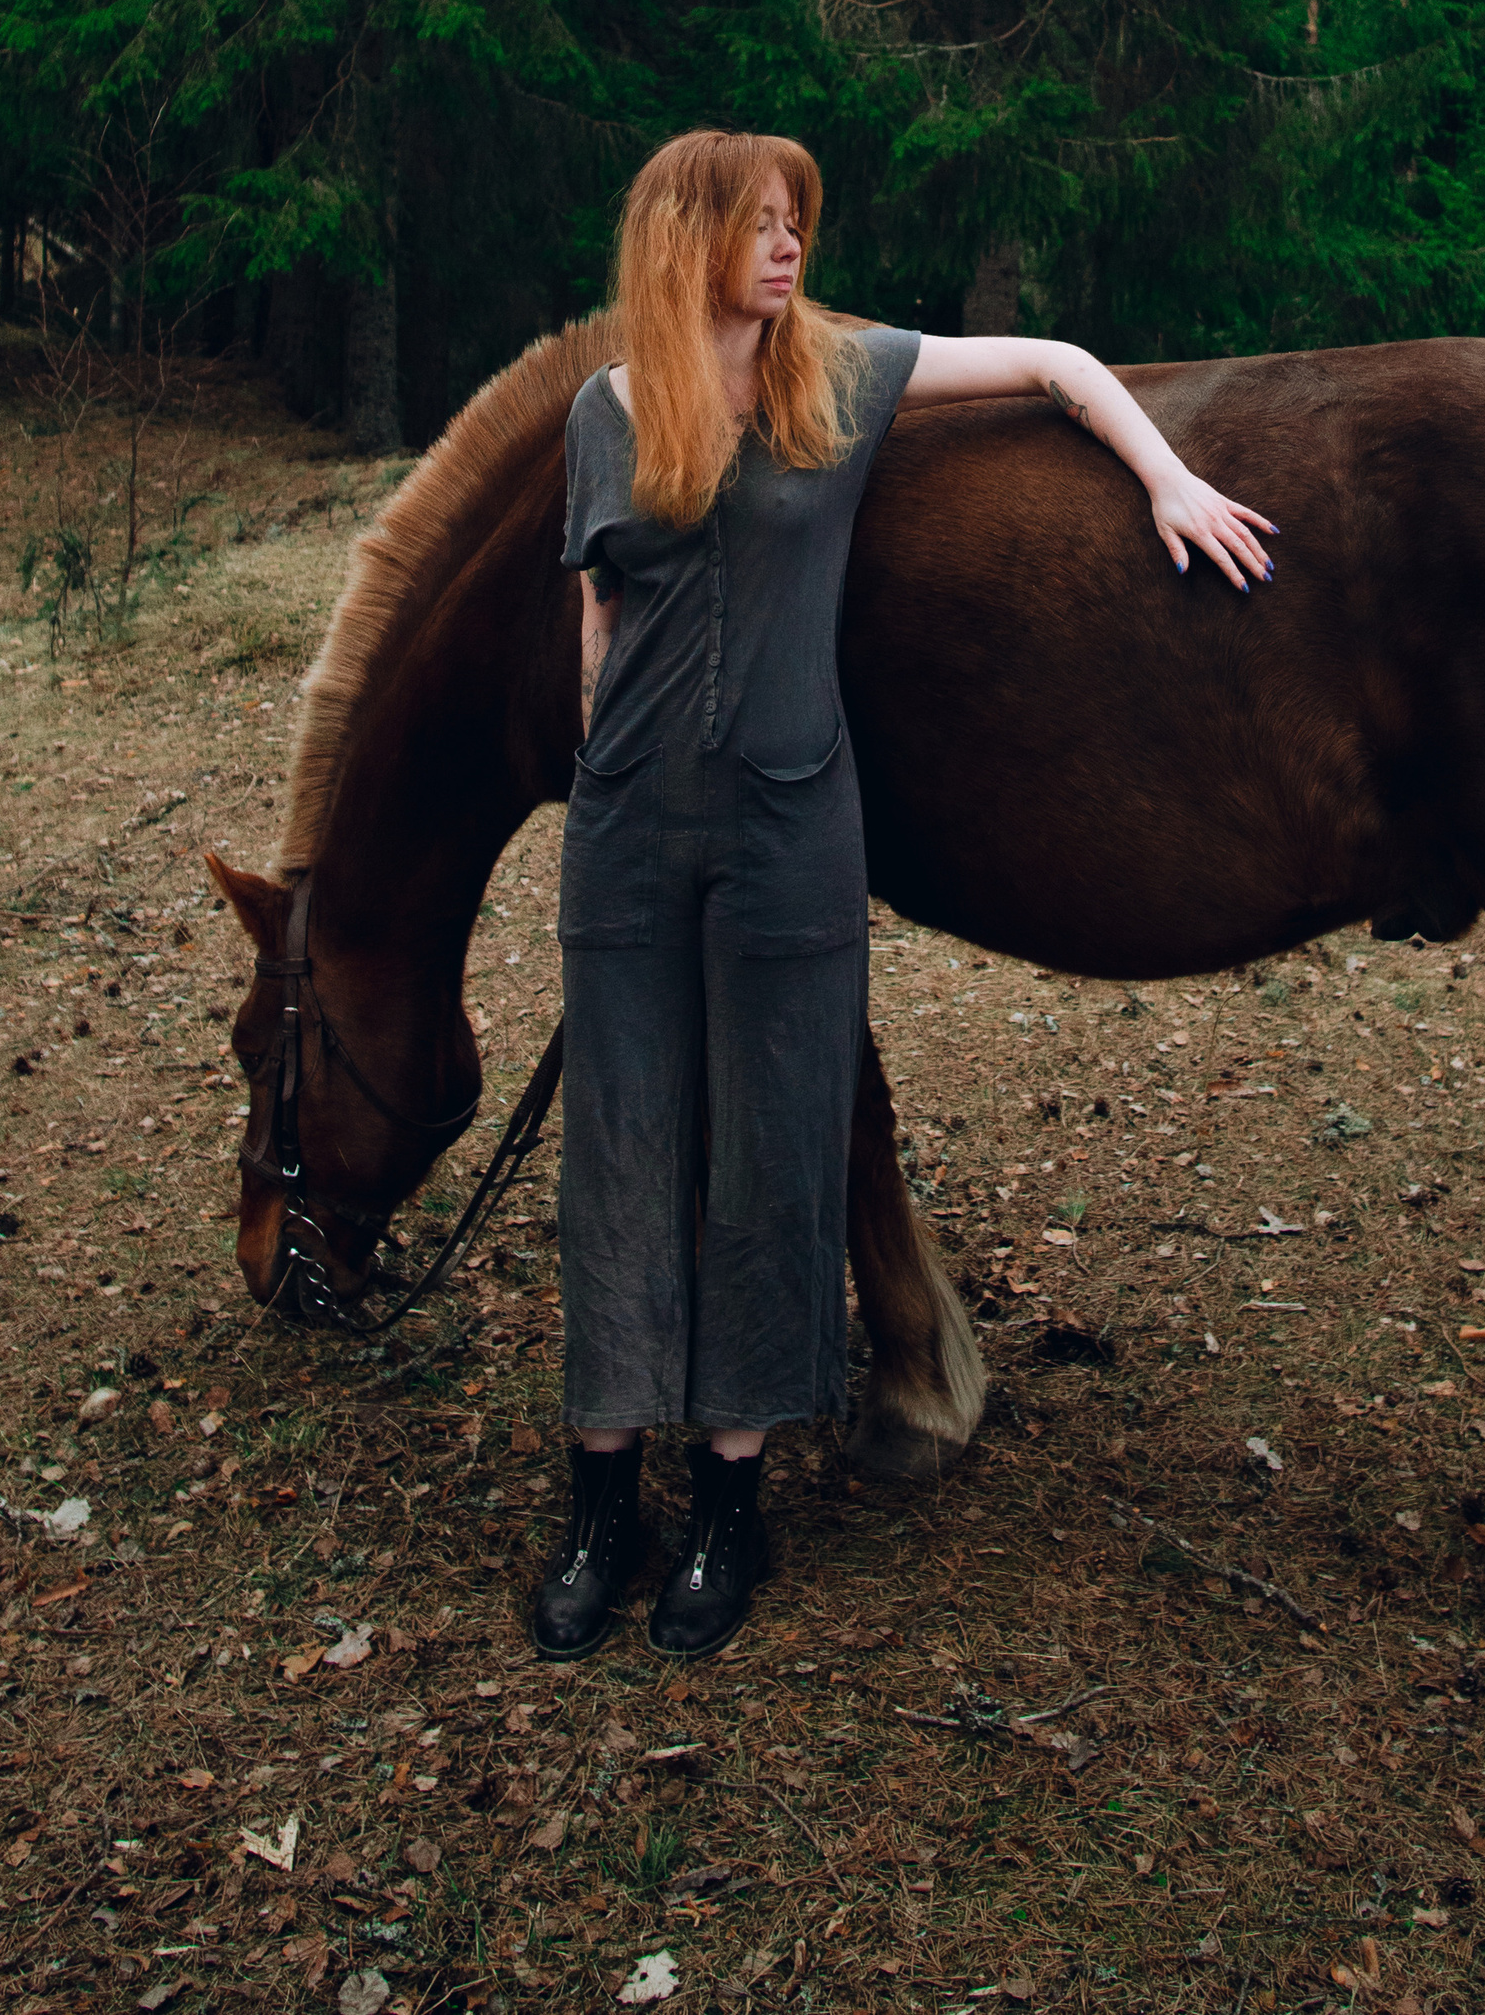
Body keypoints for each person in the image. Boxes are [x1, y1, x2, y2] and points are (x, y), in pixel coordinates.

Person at [535, 128, 1274, 1660]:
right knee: (619, 1152)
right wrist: (603, 785)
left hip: (794, 837)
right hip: (630, 840)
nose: (791, 244)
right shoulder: (608, 413)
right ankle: (602, 1499)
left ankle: (728, 1502)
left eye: (800, 218)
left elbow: (1061, 364)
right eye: (762, 222)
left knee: (771, 1154)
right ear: (686, 238)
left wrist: (1170, 477)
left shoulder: (841, 380)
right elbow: (596, 615)